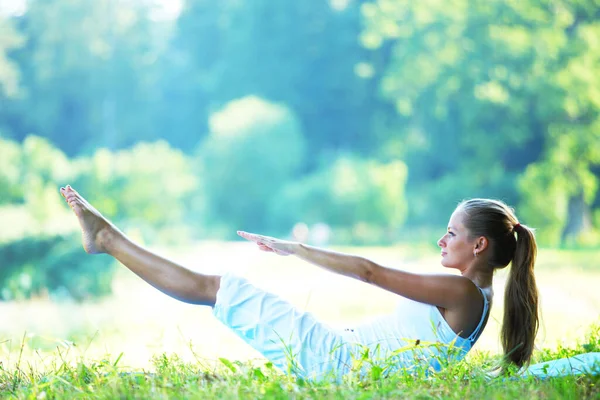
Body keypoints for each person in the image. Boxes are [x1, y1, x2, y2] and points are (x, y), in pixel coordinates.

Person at [59, 185, 539, 380]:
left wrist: (297, 250)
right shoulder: (477, 294)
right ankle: (108, 239)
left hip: (338, 363)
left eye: (451, 233)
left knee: (218, 289)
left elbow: (372, 273)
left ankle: (107, 240)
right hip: (341, 352)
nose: (441, 239)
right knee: (221, 291)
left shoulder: (461, 293)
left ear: (479, 247)